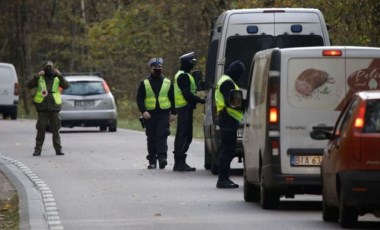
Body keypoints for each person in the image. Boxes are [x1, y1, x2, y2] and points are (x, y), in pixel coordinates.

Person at [136, 58, 176, 169]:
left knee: (162, 135)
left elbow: (172, 98)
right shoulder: (144, 83)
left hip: (163, 113)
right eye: (155, 68)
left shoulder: (168, 82)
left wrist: (173, 113)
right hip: (150, 114)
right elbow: (139, 98)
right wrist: (143, 111)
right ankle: (152, 161)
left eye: (160, 67)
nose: (158, 69)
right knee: (151, 137)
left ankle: (162, 158)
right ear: (151, 68)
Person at [27, 61, 70, 156]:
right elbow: (29, 85)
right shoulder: (40, 78)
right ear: (43, 69)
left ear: (53, 68)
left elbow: (66, 85)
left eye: (50, 67)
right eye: (47, 67)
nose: (48, 69)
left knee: (56, 129)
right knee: (41, 129)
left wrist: (60, 75)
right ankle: (37, 150)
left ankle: (58, 149)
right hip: (42, 108)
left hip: (54, 107)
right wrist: (37, 76)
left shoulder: (57, 78)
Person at [214, 60, 245, 188]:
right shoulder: (227, 82)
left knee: (228, 149)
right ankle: (222, 179)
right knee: (228, 150)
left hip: (228, 118)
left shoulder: (226, 80)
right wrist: (244, 105)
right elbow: (231, 101)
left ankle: (224, 178)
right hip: (228, 118)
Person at [173, 52, 205, 172]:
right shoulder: (183, 76)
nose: (193, 66)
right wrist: (201, 100)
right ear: (187, 64)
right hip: (185, 108)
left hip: (184, 108)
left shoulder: (183, 75)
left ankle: (179, 162)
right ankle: (180, 162)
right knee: (185, 135)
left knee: (183, 135)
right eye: (192, 64)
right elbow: (187, 94)